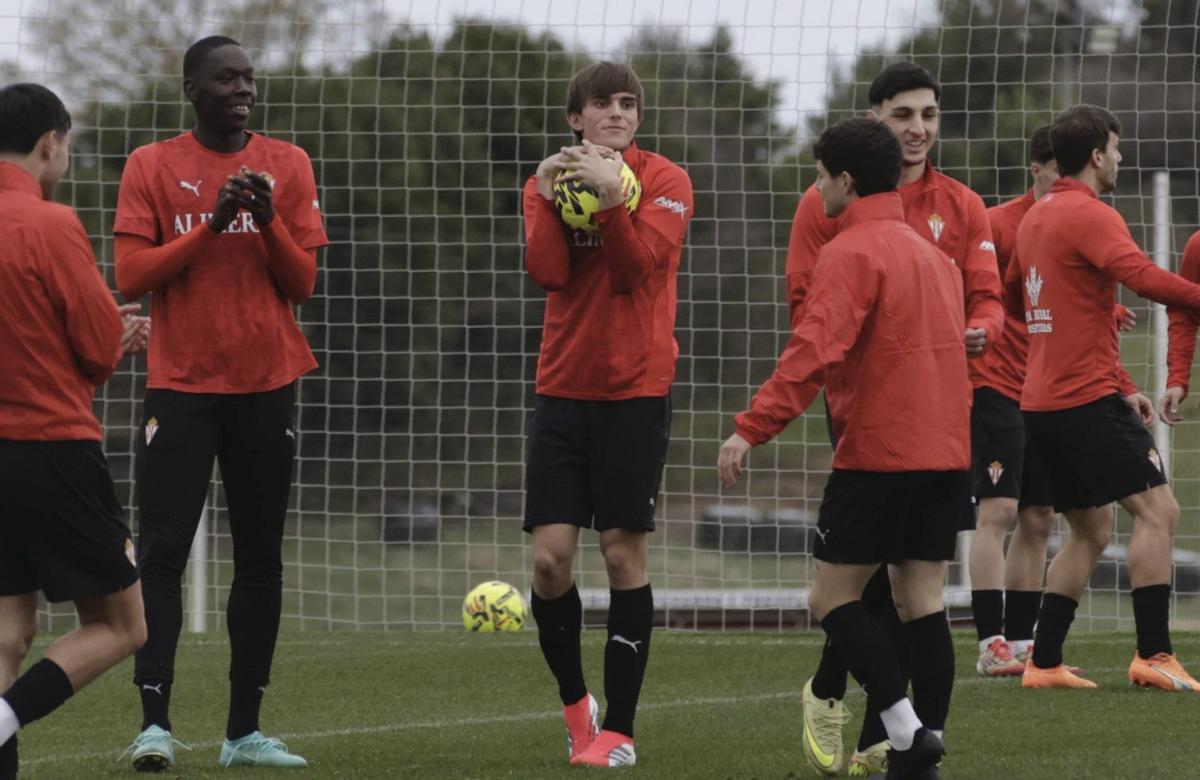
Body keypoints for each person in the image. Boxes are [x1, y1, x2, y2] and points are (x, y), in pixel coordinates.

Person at [719, 116, 966, 780]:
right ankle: (923, 753)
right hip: (947, 454)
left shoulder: (851, 252)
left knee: (829, 599)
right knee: (924, 603)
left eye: (821, 174)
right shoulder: (935, 257)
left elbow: (812, 354)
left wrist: (751, 428)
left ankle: (907, 733)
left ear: (845, 181)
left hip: (880, 457)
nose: (816, 185)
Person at [115, 35, 327, 769]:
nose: (244, 90)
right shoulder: (151, 164)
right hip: (179, 387)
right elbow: (133, 273)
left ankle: (243, 732)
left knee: (260, 558)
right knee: (163, 553)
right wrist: (210, 222)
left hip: (267, 385)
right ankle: (154, 725)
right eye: (226, 79)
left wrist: (264, 219)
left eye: (249, 78)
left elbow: (301, 284)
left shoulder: (289, 165)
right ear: (192, 89)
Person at [786, 62, 1002, 777]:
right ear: (876, 119)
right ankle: (889, 728)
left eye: (930, 115)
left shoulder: (962, 206)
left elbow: (989, 298)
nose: (918, 129)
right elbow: (810, 317)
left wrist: (977, 327)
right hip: (862, 413)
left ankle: (895, 728)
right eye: (904, 114)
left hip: (939, 412)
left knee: (883, 589)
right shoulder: (827, 202)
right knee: (889, 584)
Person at [522, 61, 693, 768]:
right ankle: (576, 706)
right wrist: (540, 197)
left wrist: (611, 201)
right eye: (603, 104)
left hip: (635, 391)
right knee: (549, 562)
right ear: (576, 118)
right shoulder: (550, 177)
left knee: (622, 554)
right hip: (563, 387)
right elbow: (549, 274)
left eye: (628, 104)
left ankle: (618, 730)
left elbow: (633, 273)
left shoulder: (667, 182)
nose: (618, 114)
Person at [1008, 104, 1200, 691]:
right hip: (1083, 402)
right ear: (1095, 155)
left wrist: (1118, 379)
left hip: (1043, 403)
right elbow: (1141, 276)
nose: (1120, 159)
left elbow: (1022, 300)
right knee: (1159, 512)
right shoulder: (1091, 215)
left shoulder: (1036, 218)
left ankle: (1042, 664)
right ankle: (1154, 654)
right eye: (1115, 149)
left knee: (1090, 531)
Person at [0, 82, 150, 780]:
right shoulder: (51, 223)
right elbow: (93, 350)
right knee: (123, 625)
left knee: (7, 634)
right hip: (50, 447)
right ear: (48, 143)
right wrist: (118, 334)